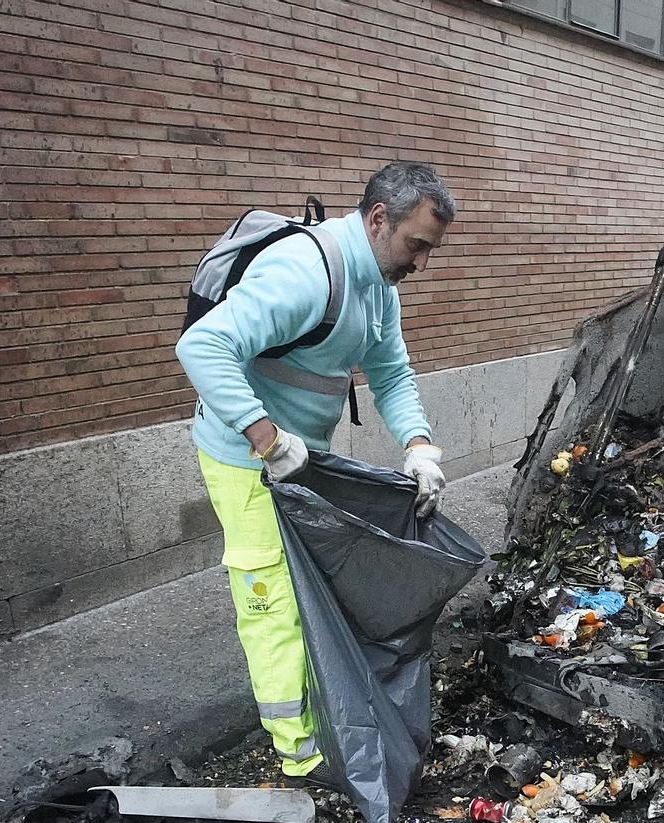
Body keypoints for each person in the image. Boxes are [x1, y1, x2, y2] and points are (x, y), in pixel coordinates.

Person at [175, 162, 454, 780]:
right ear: (379, 219)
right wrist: (267, 438)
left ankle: (321, 707)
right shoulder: (306, 272)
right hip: (244, 456)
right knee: (270, 594)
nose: (422, 263)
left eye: (430, 251)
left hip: (302, 458)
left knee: (312, 587)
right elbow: (201, 346)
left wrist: (419, 445)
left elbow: (390, 373)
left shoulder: (378, 286)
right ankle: (298, 753)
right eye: (417, 246)